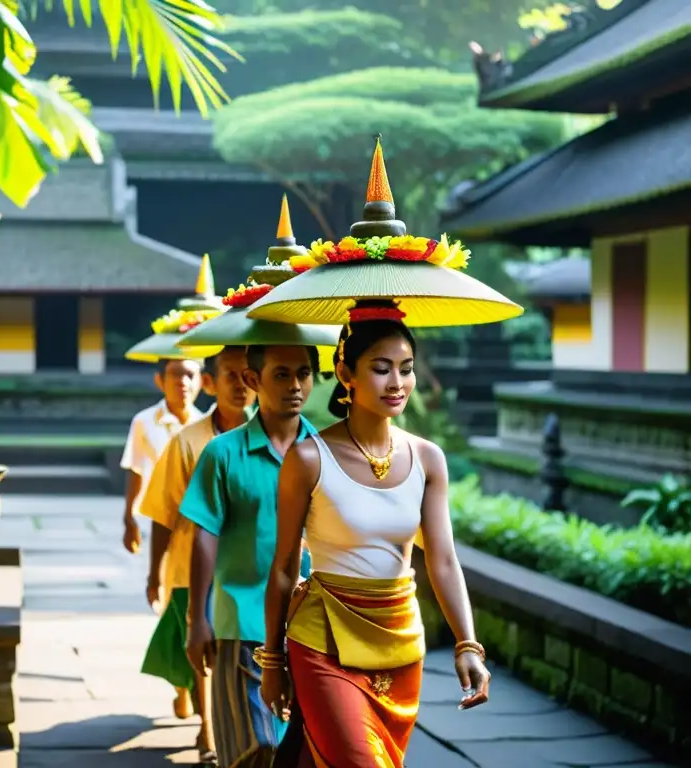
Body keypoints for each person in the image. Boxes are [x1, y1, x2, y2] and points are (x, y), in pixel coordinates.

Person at [248, 136, 511, 768]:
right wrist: (272, 662)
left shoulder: (429, 460)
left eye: (407, 368)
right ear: (345, 371)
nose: (398, 383)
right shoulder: (307, 460)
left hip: (402, 643)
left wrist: (469, 644)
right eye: (381, 367)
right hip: (322, 637)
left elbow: (442, 560)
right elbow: (285, 568)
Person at [181, 343, 319, 768]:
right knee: (254, 749)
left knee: (300, 754)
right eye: (281, 374)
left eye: (303, 373)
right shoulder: (222, 453)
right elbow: (204, 535)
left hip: (311, 627)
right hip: (240, 622)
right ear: (252, 380)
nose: (295, 385)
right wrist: (196, 618)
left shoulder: (326, 452)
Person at [140, 346, 255, 766]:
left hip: (249, 569)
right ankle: (208, 728)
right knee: (203, 652)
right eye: (232, 377)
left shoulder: (274, 436)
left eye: (249, 376)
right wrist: (155, 571)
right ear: (211, 383)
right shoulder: (187, 442)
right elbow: (162, 512)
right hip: (195, 567)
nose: (242, 387)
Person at [120, 357, 204, 557]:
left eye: (190, 375)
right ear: (160, 380)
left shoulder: (205, 422)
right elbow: (136, 469)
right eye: (175, 374)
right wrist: (129, 517)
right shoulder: (144, 421)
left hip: (197, 519)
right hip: (156, 516)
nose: (182, 382)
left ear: (202, 381)